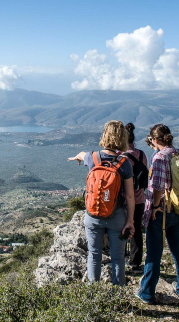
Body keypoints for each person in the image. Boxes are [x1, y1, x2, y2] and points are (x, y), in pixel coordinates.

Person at [68, 120, 135, 286]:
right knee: (118, 258)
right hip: (116, 215)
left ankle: (93, 296)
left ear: (104, 136)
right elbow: (130, 196)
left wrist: (77, 157)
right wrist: (130, 221)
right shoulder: (124, 163)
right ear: (123, 138)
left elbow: (82, 154)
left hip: (93, 215)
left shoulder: (93, 157)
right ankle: (117, 297)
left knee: (94, 254)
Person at [136, 124, 179, 304]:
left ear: (155, 140)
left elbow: (159, 188)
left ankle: (146, 293)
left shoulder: (160, 157)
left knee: (154, 252)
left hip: (161, 212)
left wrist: (153, 208)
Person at [123, 123, 148, 271]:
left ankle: (121, 257)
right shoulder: (142, 155)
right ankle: (135, 261)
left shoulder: (120, 156)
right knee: (136, 229)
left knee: (121, 228)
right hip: (139, 199)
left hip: (124, 199)